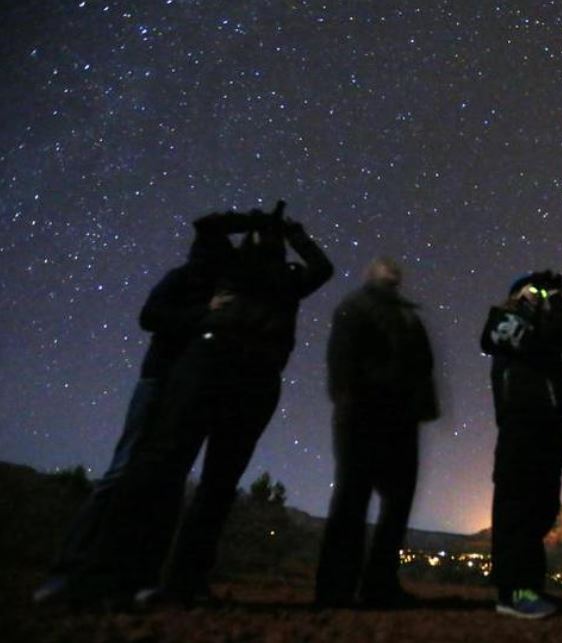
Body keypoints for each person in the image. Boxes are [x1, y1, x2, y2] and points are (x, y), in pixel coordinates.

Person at [73, 202, 333, 605]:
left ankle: (180, 582)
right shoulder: (236, 265)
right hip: (218, 370)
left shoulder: (282, 277)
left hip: (243, 377)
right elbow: (207, 226)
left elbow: (324, 268)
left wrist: (282, 229)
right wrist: (273, 226)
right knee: (175, 471)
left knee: (215, 483)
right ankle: (129, 576)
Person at [33, 215, 235, 605]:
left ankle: (137, 575)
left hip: (185, 389)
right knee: (123, 469)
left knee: (163, 479)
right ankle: (69, 569)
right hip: (158, 383)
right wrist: (202, 310)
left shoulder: (218, 286)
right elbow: (150, 317)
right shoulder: (182, 278)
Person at [315, 257, 438, 609]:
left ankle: (379, 585)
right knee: (352, 500)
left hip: (401, 417)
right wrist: (348, 404)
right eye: (385, 268)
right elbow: (341, 361)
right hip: (364, 415)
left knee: (396, 504)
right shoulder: (355, 307)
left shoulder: (408, 315)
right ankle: (335, 590)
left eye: (395, 269)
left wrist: (421, 408)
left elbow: (422, 365)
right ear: (370, 274)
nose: (393, 272)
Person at [480, 270, 562, 619]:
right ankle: (513, 593)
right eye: (538, 291)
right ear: (519, 296)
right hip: (522, 427)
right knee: (517, 510)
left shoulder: (546, 330)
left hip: (549, 430)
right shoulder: (505, 324)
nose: (547, 296)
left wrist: (554, 301)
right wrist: (536, 303)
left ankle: (531, 589)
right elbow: (533, 340)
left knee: (541, 510)